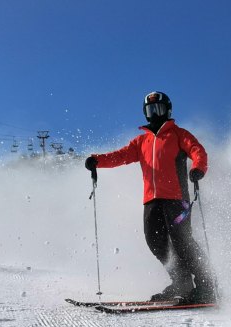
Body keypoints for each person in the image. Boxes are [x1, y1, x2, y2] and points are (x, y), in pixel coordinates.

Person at [85, 91, 216, 304]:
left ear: (168, 110)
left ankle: (207, 285)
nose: (155, 114)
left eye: (159, 109)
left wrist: (198, 169)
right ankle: (181, 282)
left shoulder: (178, 134)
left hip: (176, 199)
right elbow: (121, 155)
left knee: (183, 241)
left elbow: (197, 150)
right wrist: (96, 161)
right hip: (151, 200)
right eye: (150, 110)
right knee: (155, 242)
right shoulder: (141, 141)